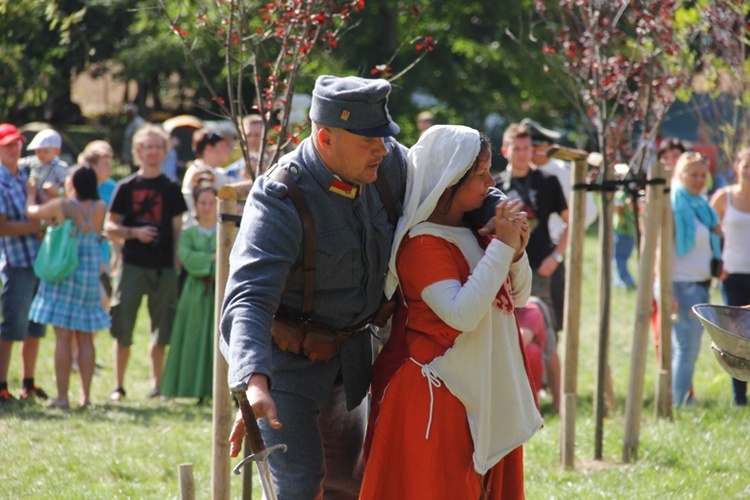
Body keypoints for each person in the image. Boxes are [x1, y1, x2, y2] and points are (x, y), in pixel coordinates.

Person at [220, 75, 504, 499]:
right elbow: (248, 297)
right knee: (298, 487)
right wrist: (253, 378)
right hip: (286, 371)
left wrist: (497, 206)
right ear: (325, 138)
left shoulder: (386, 164)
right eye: (368, 140)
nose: (382, 148)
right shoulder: (281, 197)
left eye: (385, 137)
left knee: (348, 486)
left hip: (352, 362)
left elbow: (447, 179)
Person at [360, 125, 541, 499]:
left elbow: (517, 298)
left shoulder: (474, 233)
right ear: (449, 180)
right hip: (437, 398)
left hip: (476, 389)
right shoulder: (422, 245)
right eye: (479, 174)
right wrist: (501, 248)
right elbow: (460, 315)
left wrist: (515, 251)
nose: (491, 182)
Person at [105, 124, 187, 401]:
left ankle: (158, 386)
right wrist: (134, 233)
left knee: (162, 328)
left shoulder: (172, 189)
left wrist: (177, 263)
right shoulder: (126, 187)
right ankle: (118, 386)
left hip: (164, 268)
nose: (153, 152)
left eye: (157, 147)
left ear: (165, 152)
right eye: (147, 147)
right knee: (123, 326)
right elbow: (110, 226)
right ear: (138, 151)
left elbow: (178, 230)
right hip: (132, 265)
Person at [495, 122, 568, 411]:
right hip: (505, 270)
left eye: (527, 148)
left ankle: (559, 399)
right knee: (508, 329)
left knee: (546, 329)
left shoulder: (548, 181)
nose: (523, 154)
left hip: (540, 267)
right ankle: (512, 390)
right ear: (506, 151)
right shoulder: (496, 185)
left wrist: (557, 257)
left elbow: (568, 221)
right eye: (517, 148)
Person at [26, 165, 110, 408]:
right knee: (85, 337)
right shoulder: (100, 207)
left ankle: (62, 397)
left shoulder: (64, 205)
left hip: (66, 266)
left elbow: (32, 212)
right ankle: (86, 398)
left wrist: (32, 193)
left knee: (63, 335)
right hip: (90, 267)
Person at [0, 123, 48, 403]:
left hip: (37, 261)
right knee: (11, 326)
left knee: (34, 326)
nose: (13, 149)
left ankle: (28, 383)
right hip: (16, 263)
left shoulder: (24, 178)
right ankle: (2, 384)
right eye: (7, 145)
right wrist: (34, 225)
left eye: (16, 143)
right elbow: (2, 227)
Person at [670, 152, 722, 408]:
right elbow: (662, 252)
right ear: (681, 175)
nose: (700, 179)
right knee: (686, 350)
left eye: (703, 174)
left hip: (700, 284)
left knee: (688, 350)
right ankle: (675, 405)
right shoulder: (674, 206)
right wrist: (666, 290)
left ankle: (677, 400)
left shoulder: (702, 206)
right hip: (681, 285)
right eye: (694, 174)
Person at [160, 182, 217, 403]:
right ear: (195, 204)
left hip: (220, 292)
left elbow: (231, 257)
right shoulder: (189, 233)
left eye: (212, 202)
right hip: (195, 292)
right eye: (203, 203)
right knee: (194, 338)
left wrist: (212, 260)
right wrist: (213, 258)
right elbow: (186, 258)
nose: (207, 207)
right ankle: (195, 389)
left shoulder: (230, 231)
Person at [710, 147, 750, 406]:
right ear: (737, 167)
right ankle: (739, 398)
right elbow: (711, 233)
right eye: (746, 165)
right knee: (736, 337)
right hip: (732, 274)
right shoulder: (723, 198)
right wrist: (716, 264)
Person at [181, 128, 232, 228]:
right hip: (197, 232)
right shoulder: (198, 173)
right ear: (209, 148)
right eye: (222, 146)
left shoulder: (217, 171)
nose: (227, 150)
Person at [19, 128, 69, 203]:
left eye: (46, 152)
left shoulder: (60, 167)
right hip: (34, 198)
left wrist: (57, 191)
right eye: (38, 151)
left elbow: (68, 191)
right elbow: (17, 162)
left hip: (52, 203)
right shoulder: (34, 161)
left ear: (57, 151)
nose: (41, 155)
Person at [225, 114, 275, 181]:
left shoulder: (277, 165)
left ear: (267, 136)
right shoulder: (232, 172)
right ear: (242, 136)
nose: (252, 139)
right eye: (248, 135)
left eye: (257, 135)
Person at [122, 103, 146, 172]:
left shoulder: (138, 123)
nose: (127, 115)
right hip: (130, 154)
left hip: (137, 153)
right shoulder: (131, 122)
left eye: (129, 112)